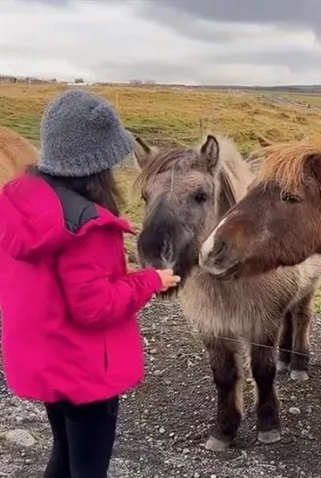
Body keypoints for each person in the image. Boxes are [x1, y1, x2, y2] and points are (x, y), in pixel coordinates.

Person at [0, 89, 180, 478]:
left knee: (63, 453)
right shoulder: (86, 225)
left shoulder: (22, 201)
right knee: (88, 468)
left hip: (46, 359)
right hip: (83, 370)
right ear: (97, 163)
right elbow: (95, 306)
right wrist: (151, 280)